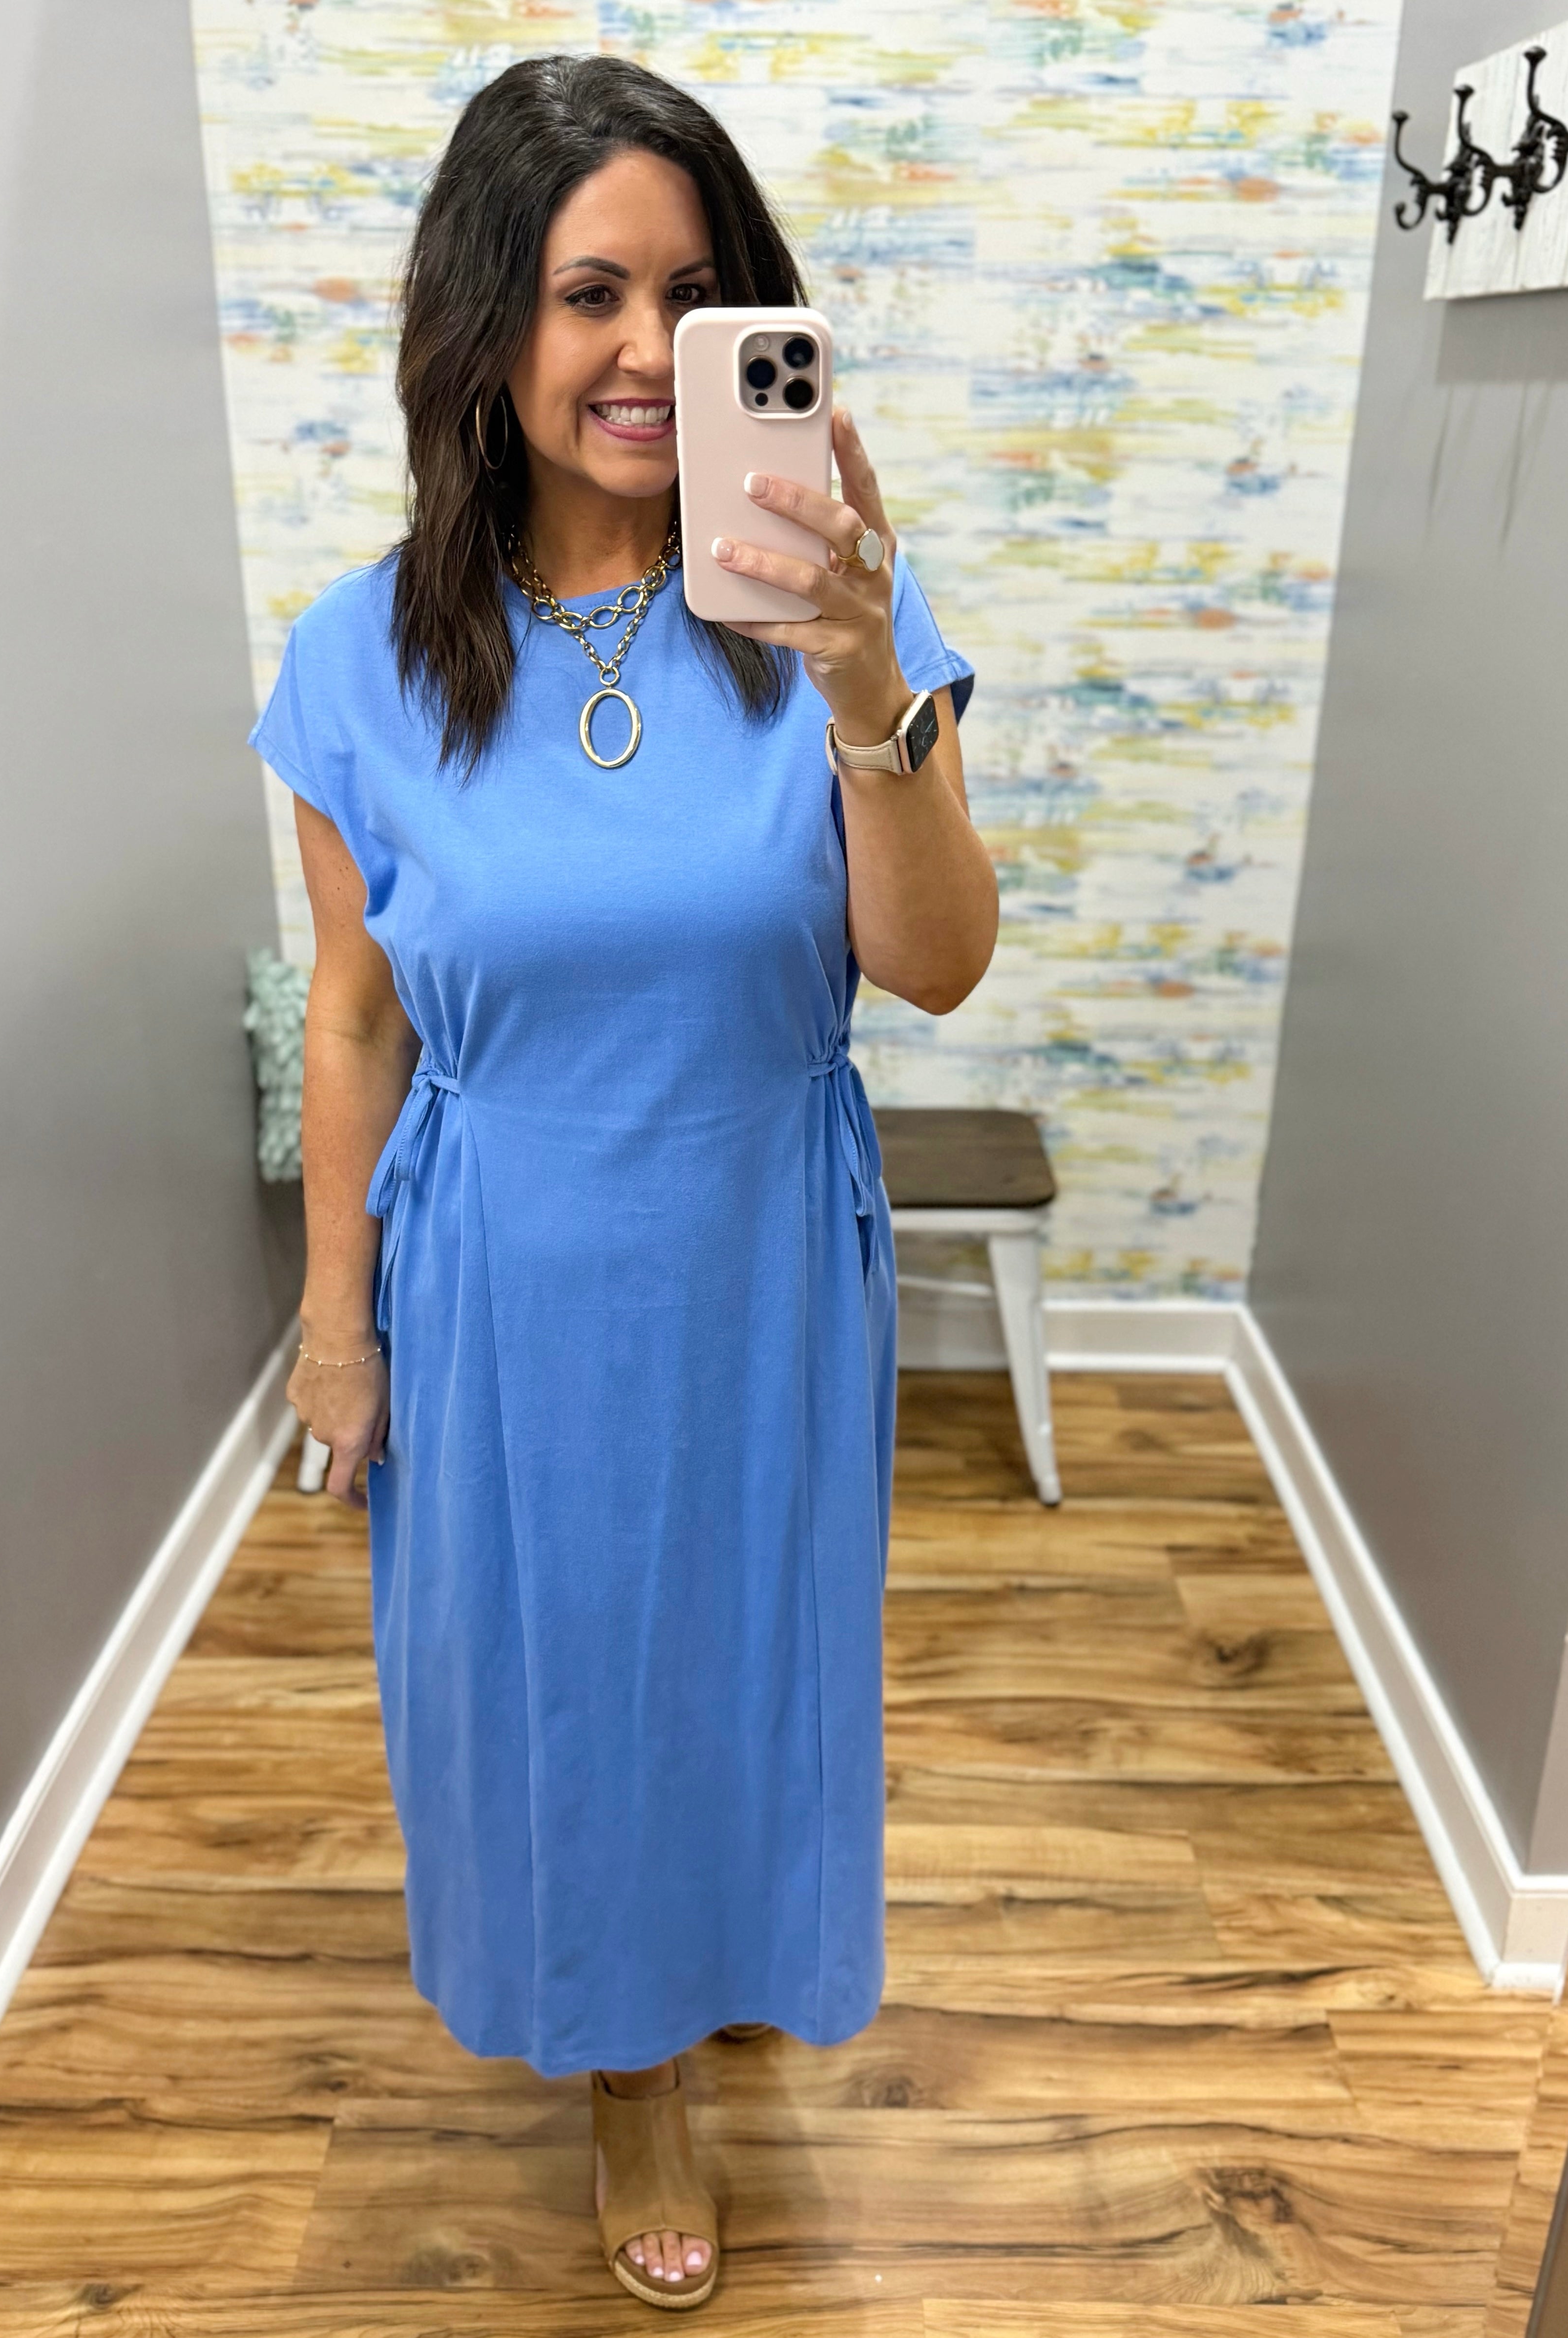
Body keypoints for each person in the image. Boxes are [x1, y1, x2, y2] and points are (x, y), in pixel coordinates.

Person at [253, 52, 996, 2312]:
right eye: (589, 293)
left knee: (746, 1660)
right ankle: (626, 2065)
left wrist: (867, 676)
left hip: (762, 1248)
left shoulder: (835, 611)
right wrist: (330, 1312)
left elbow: (936, 965)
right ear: (487, 327)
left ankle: (725, 1961)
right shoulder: (362, 663)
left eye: (692, 297)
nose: (642, 353)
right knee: (543, 1681)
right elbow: (361, 1015)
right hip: (500, 1277)